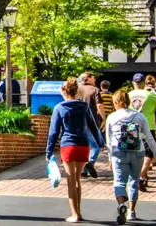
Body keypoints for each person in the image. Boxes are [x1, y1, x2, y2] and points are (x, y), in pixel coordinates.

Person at [47, 77, 105, 223]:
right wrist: (100, 142)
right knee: (78, 179)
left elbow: (54, 132)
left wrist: (48, 152)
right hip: (83, 145)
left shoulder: (59, 108)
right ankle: (79, 211)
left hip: (68, 145)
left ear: (64, 91)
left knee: (71, 180)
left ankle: (74, 215)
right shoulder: (84, 107)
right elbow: (93, 125)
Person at [105, 89, 156, 224]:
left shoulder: (112, 117)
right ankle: (131, 211)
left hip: (118, 152)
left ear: (115, 102)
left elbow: (108, 141)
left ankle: (121, 205)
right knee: (134, 181)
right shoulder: (139, 116)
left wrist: (110, 158)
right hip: (138, 152)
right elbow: (149, 137)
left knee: (119, 182)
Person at [78, 72, 106, 178]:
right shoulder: (95, 90)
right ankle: (88, 164)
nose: (95, 80)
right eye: (94, 78)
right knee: (97, 145)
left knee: (83, 146)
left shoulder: (75, 89)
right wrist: (104, 119)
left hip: (77, 123)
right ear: (89, 78)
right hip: (90, 123)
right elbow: (99, 105)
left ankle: (83, 169)